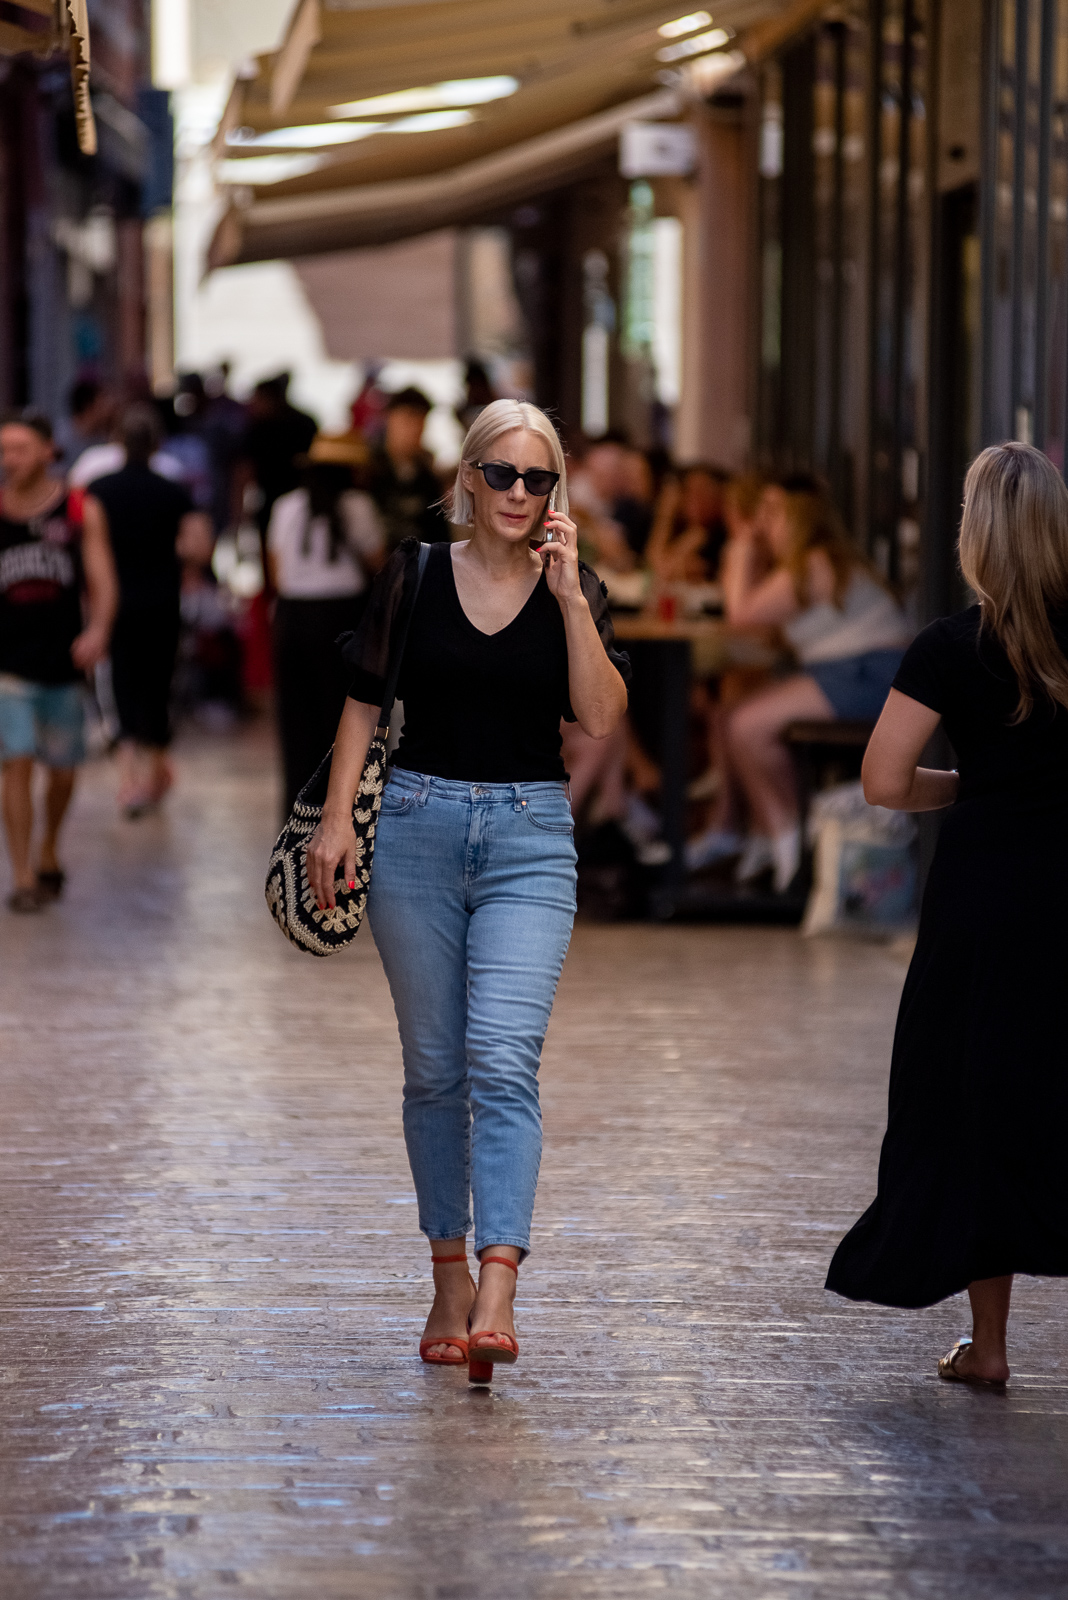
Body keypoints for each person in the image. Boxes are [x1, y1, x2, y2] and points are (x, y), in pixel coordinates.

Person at [305, 399, 630, 1382]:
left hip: (531, 838)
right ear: (469, 478)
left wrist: (572, 602)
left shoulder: (576, 587)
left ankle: (499, 1281)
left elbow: (601, 717)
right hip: (415, 829)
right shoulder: (413, 572)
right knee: (436, 1069)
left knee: (503, 1058)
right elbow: (362, 702)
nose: (519, 494)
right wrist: (334, 821)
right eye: (502, 474)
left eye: (538, 479)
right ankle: (448, 1276)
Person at [826, 441, 1068, 1386]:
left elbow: (884, 781)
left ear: (979, 535)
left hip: (985, 900)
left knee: (976, 1104)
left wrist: (975, 787)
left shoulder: (949, 646)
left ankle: (990, 1347)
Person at [721, 474, 912, 891]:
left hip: (871, 675)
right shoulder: (815, 562)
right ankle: (775, 837)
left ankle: (790, 846)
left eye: (772, 512)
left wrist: (742, 546)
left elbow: (741, 616)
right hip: (853, 671)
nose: (762, 522)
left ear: (798, 517)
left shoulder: (815, 562)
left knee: (746, 725)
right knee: (734, 715)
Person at [0, 410, 117, 910]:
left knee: (64, 772)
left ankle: (48, 847)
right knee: (17, 760)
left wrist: (99, 630)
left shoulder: (78, 508)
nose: (10, 459)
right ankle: (23, 876)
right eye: (4, 450)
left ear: (49, 451)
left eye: (20, 449)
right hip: (8, 663)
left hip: (62, 661)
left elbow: (102, 577)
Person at [90, 407, 213, 816]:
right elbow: (199, 546)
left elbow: (87, 548)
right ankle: (156, 774)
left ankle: (129, 782)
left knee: (122, 686)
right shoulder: (174, 491)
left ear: (118, 442)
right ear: (158, 444)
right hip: (163, 603)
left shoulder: (99, 490)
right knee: (158, 686)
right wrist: (172, 554)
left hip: (115, 603)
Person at [266, 433, 386, 813]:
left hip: (293, 618)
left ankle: (297, 816)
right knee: (344, 724)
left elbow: (276, 570)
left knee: (296, 726)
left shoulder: (286, 506)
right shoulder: (359, 506)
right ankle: (343, 813)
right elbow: (379, 564)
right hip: (342, 620)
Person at [235, 374, 318, 544]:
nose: (252, 405)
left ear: (269, 399)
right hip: (304, 501)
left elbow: (245, 470)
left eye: (256, 400)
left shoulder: (258, 428)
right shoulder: (305, 422)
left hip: (286, 502)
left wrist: (239, 512)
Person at [367, 387, 450, 550]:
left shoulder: (427, 480)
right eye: (407, 420)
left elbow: (439, 538)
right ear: (388, 418)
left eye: (420, 422)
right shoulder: (368, 470)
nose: (414, 430)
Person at [646, 463, 729, 583]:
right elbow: (651, 561)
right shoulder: (692, 530)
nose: (694, 498)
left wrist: (666, 513)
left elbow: (661, 568)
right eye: (688, 490)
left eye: (703, 491)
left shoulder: (718, 537)